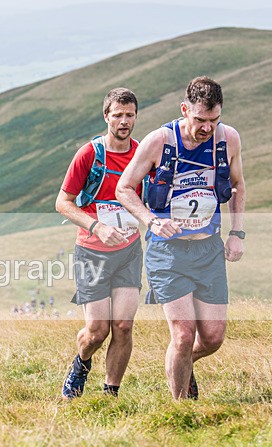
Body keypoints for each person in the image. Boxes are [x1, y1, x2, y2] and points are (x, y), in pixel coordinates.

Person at [116, 76, 245, 400]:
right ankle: (179, 410)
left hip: (208, 249)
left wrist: (236, 234)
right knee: (184, 335)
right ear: (184, 109)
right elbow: (124, 188)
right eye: (200, 120)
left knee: (213, 337)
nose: (206, 128)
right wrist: (151, 221)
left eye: (213, 120)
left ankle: (184, 364)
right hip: (168, 253)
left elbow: (238, 185)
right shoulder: (159, 141)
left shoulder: (228, 139)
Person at [55, 88, 143, 399]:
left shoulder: (142, 154)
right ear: (106, 116)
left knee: (123, 326)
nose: (123, 121)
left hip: (129, 251)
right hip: (92, 251)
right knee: (97, 331)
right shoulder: (89, 154)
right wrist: (97, 227)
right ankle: (81, 363)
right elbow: (63, 203)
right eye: (117, 115)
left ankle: (111, 393)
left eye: (129, 115)